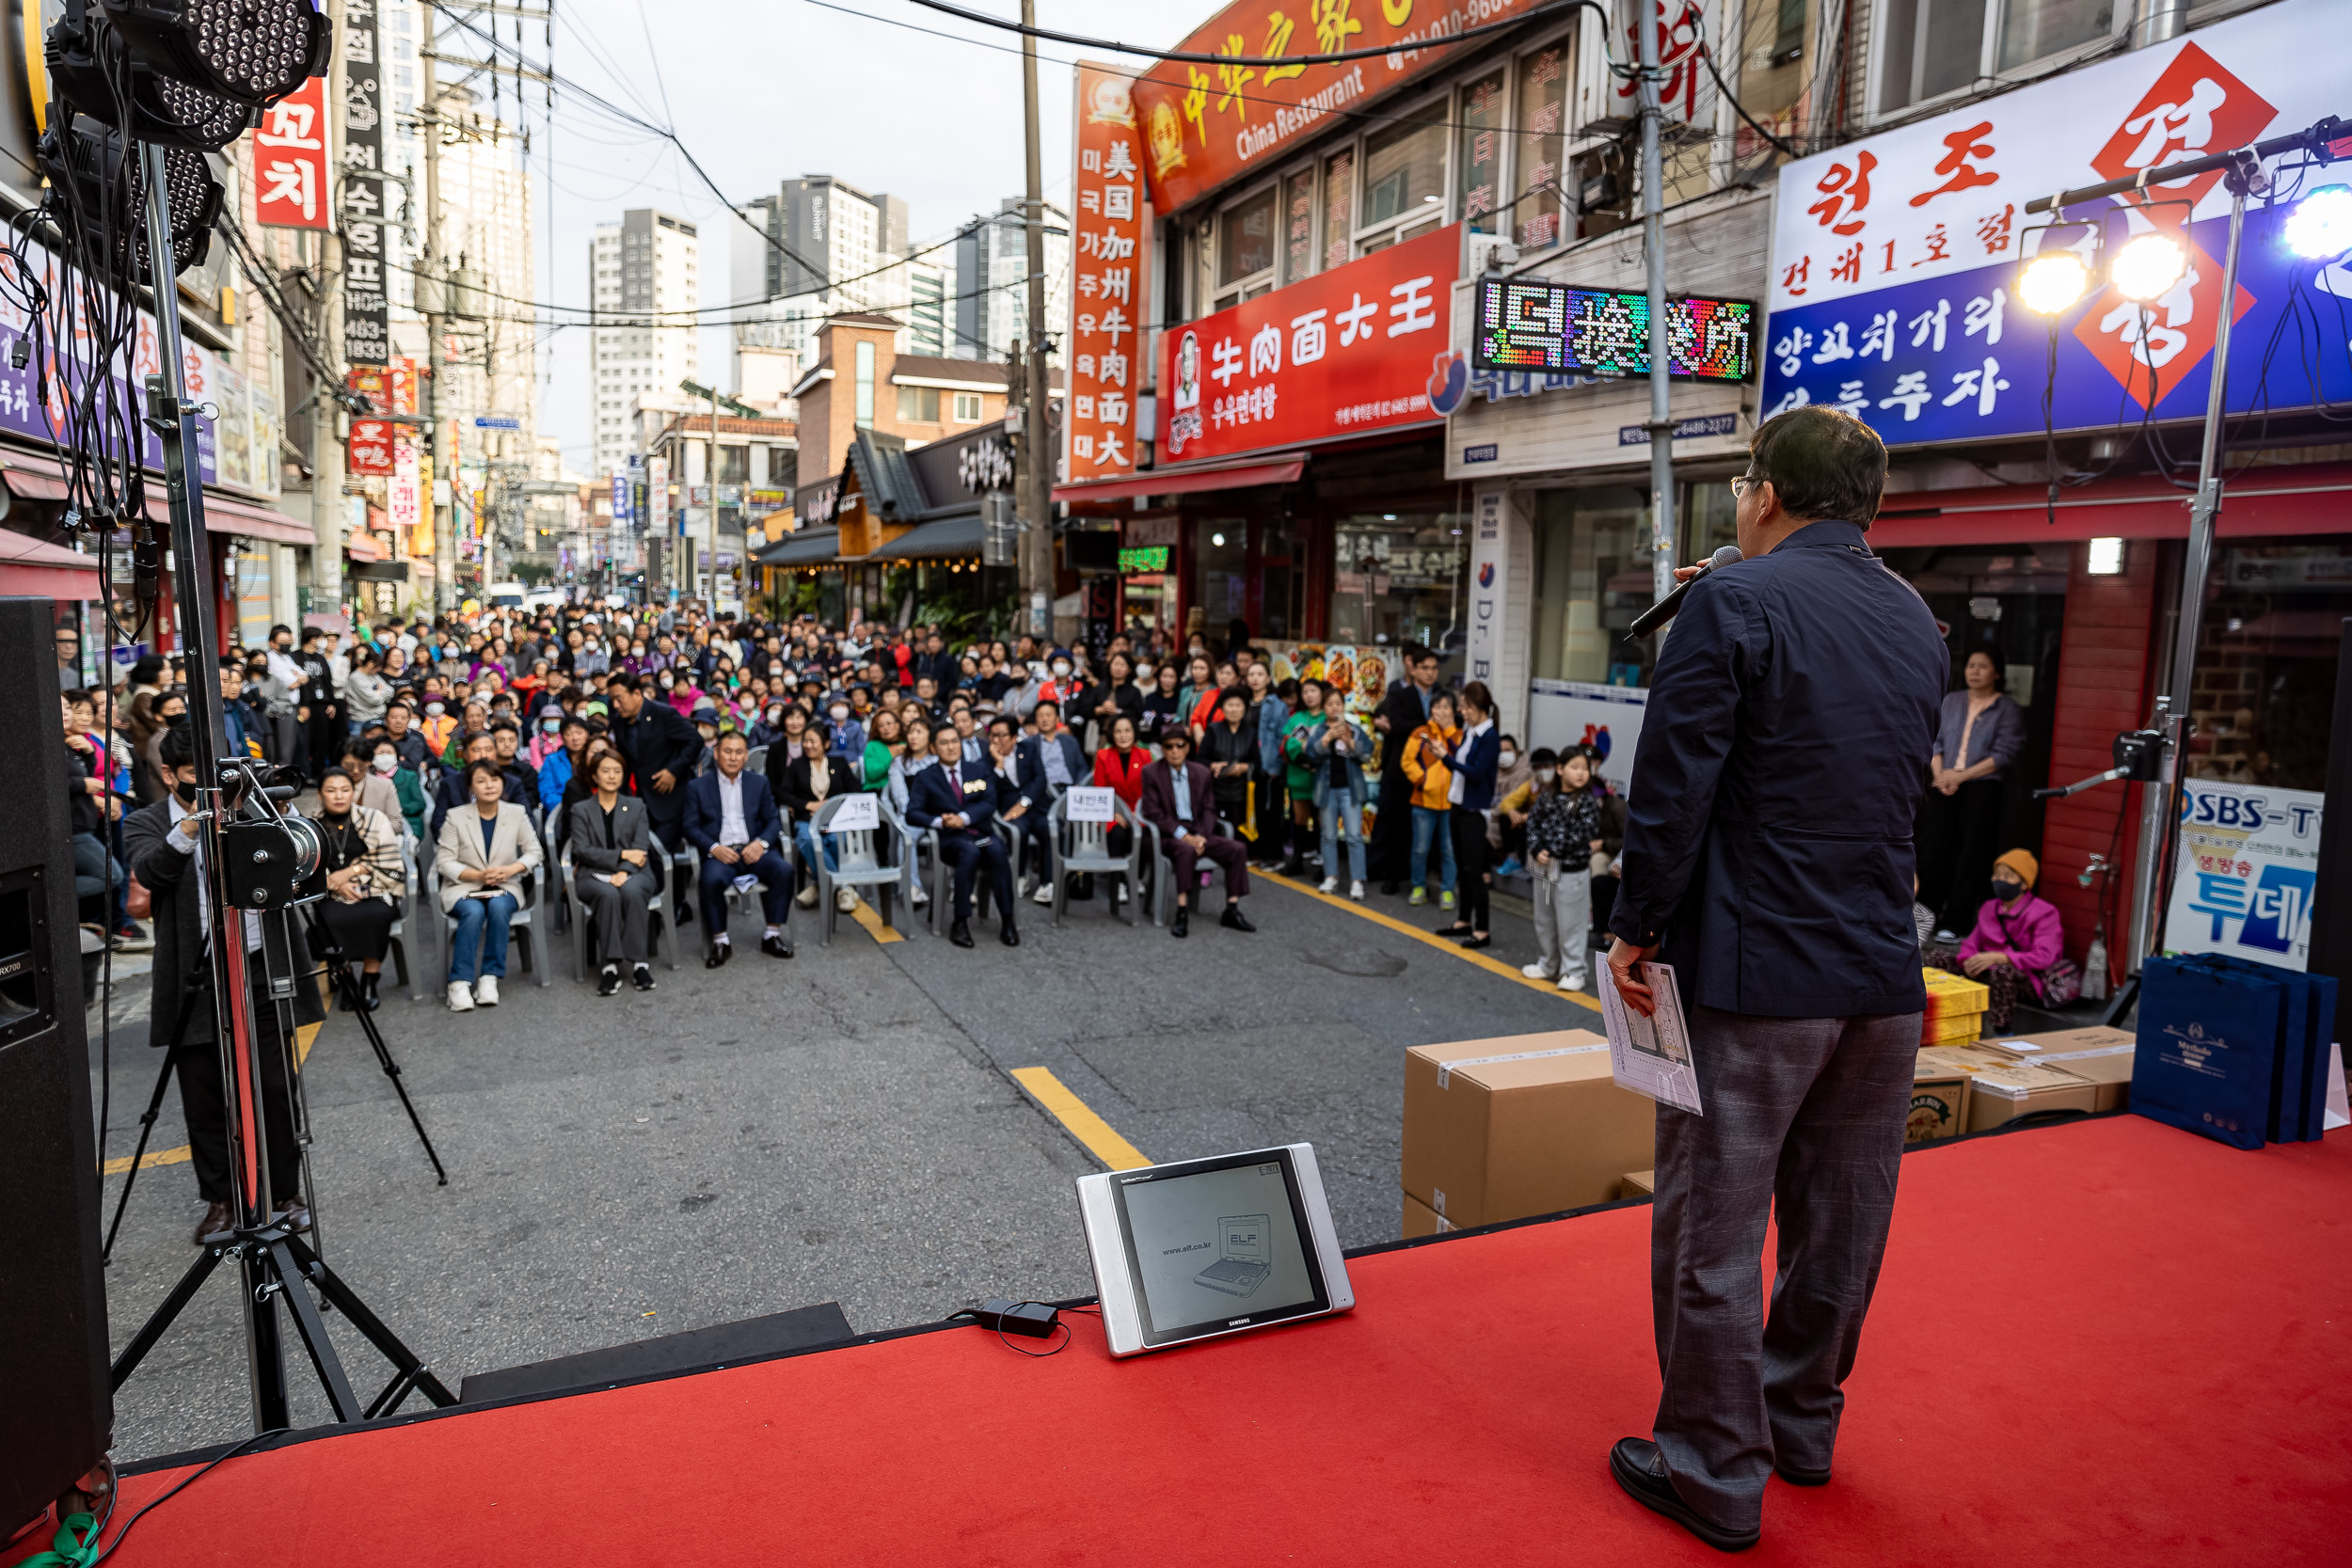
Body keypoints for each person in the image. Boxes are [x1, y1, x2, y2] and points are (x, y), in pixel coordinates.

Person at [1601, 404, 1947, 1550]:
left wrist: (1633, 927)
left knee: (1713, 1221)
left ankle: (1711, 1465)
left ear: (1762, 493)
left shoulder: (1731, 599)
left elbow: (1673, 785)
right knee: (1840, 1222)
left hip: (1754, 973)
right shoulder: (1914, 619)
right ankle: (1799, 1421)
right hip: (1881, 976)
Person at [125, 724, 323, 1243]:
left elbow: (303, 857)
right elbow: (150, 872)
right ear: (169, 775)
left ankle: (285, 1192)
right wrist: (192, 826)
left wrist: (266, 805)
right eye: (193, 778)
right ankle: (220, 1200)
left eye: (212, 777)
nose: (207, 789)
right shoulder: (146, 821)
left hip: (258, 964)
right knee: (205, 1093)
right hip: (196, 975)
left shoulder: (247, 809)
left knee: (276, 1087)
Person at [1915, 647, 2025, 942]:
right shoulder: (1951, 701)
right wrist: (1940, 776)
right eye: (1971, 665)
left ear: (1997, 673)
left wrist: (1960, 776)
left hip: (1981, 787)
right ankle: (1923, 915)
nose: (1974, 671)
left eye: (1983, 666)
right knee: (1932, 850)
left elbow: (2003, 755)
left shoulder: (2006, 708)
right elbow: (1934, 741)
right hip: (1943, 782)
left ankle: (1956, 922)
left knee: (1970, 854)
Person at [434, 758, 544, 1011]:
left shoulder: (516, 813)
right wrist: (476, 876)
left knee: (498, 907)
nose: (489, 785)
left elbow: (534, 852)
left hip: (505, 884)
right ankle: (459, 982)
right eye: (481, 781)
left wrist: (511, 869)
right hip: (464, 886)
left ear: (502, 783)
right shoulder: (456, 817)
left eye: (494, 779)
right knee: (472, 913)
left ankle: (489, 977)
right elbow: (444, 861)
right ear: (471, 788)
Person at [904, 720, 1019, 948]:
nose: (951, 747)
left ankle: (1008, 920)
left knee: (997, 851)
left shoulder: (977, 770)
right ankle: (960, 921)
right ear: (934, 748)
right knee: (969, 853)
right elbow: (912, 813)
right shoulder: (926, 776)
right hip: (951, 839)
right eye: (944, 743)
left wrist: (964, 817)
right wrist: (941, 821)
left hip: (980, 831)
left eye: (955, 741)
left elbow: (989, 802)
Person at [683, 731, 795, 964]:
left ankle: (771, 934)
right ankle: (720, 940)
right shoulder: (698, 786)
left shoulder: (759, 783)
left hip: (753, 849)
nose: (732, 758)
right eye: (727, 751)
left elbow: (773, 820)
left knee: (783, 871)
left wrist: (761, 843)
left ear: (746, 756)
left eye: (738, 752)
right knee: (710, 880)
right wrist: (714, 848)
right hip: (721, 854)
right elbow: (689, 826)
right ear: (716, 753)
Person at [1137, 726, 1254, 940]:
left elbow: (1209, 808)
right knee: (1185, 851)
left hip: (1199, 830)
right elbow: (1153, 813)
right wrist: (1184, 836)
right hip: (1166, 835)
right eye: (1169, 746)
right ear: (1162, 749)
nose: (1175, 751)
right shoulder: (1151, 772)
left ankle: (1232, 908)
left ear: (1188, 747)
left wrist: (1201, 836)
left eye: (1180, 746)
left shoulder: (1201, 772)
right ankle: (1182, 911)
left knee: (1237, 849)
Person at [1933, 849, 2064, 1033]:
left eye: (2008, 876)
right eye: (1997, 874)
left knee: (2004, 972)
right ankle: (1937, 1017)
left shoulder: (2045, 912)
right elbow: (1971, 943)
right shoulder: (1989, 907)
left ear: (2024, 883)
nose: (1999, 880)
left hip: (2027, 979)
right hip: (1987, 970)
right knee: (1937, 958)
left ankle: (2001, 1033)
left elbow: (2044, 957)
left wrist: (2002, 958)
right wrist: (1968, 960)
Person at [607, 672, 703, 922]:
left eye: (619, 699)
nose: (615, 705)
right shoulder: (618, 722)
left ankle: (667, 909)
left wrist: (673, 770)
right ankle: (665, 906)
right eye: (612, 701)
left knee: (659, 852)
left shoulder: (664, 714)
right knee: (647, 852)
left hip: (671, 798)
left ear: (637, 694)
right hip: (641, 799)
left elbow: (694, 741)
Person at [568, 750, 662, 995]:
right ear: (595, 776)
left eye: (617, 771)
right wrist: (621, 856)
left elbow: (641, 848)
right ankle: (610, 966)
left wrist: (625, 870)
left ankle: (639, 963)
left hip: (636, 871)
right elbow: (582, 850)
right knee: (607, 894)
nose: (612, 776)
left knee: (632, 890)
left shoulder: (636, 805)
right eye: (605, 771)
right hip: (593, 874)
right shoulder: (581, 810)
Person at [311, 768, 405, 1010]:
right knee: (328, 918)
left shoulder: (374, 818)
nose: (339, 796)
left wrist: (350, 873)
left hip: (376, 889)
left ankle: (369, 980)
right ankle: (348, 978)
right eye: (330, 791)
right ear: (320, 795)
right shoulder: (312, 826)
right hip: (331, 893)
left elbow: (388, 857)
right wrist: (335, 885)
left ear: (354, 792)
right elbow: (308, 868)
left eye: (345, 790)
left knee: (375, 915)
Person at [1521, 747, 1601, 991]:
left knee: (1572, 923)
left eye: (1585, 769)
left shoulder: (1587, 801)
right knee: (1544, 920)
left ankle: (1575, 970)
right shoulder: (1547, 796)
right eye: (1574, 767)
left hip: (1572, 871)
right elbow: (1533, 823)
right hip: (1544, 869)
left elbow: (1582, 834)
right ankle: (1550, 964)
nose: (1580, 773)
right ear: (1560, 769)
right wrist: (1537, 849)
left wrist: (1551, 849)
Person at [1369, 646, 1441, 891]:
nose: (1430, 673)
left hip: (1432, 769)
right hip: (1401, 769)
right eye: (1425, 668)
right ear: (1414, 668)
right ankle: (1392, 876)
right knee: (1395, 824)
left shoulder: (1441, 696)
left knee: (1422, 826)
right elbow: (1397, 725)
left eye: (1434, 668)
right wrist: (1428, 727)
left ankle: (1418, 876)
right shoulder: (1400, 694)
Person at [1440, 682, 1500, 948]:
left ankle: (1483, 929)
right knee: (1463, 867)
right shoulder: (1471, 732)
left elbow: (1475, 773)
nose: (1463, 711)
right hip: (1458, 804)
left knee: (1474, 871)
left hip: (1475, 810)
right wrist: (1445, 755)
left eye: (1467, 707)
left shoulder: (1490, 737)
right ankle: (1464, 920)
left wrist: (1446, 758)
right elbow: (1462, 765)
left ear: (1481, 707)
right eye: (1462, 706)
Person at [778, 724, 862, 912]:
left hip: (835, 820)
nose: (808, 745)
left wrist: (831, 805)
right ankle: (843, 887)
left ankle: (819, 884)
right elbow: (783, 793)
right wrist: (807, 805)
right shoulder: (797, 765)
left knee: (834, 839)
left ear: (825, 743)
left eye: (812, 741)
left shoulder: (839, 763)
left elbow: (856, 790)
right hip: (807, 820)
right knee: (806, 839)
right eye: (805, 741)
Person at [1014, 699, 1088, 902]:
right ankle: (1030, 878)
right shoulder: (1027, 745)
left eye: (1049, 715)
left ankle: (1051, 882)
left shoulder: (1070, 742)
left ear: (1057, 718)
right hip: (1041, 796)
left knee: (1058, 829)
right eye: (1040, 715)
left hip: (1068, 793)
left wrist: (1079, 785)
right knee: (1046, 828)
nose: (1045, 719)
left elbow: (1082, 767)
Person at [1300, 685, 1369, 900]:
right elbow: (1311, 754)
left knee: (1354, 836)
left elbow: (1367, 754)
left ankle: (1357, 881)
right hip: (1326, 789)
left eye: (1338, 704)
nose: (1334, 708)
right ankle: (1331, 876)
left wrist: (1349, 741)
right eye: (1330, 704)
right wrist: (1328, 738)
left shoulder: (1355, 728)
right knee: (1328, 836)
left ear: (1343, 705)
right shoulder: (1320, 730)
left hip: (1350, 789)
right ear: (1324, 707)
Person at [1399, 689, 1459, 910]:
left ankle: (1447, 890)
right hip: (1423, 800)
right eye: (1437, 706)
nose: (1441, 711)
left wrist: (1450, 731)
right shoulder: (1420, 733)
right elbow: (1407, 761)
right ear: (1430, 709)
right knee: (1420, 848)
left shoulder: (1459, 735)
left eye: (1446, 707)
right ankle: (1418, 886)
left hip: (1452, 803)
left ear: (1454, 711)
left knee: (1449, 850)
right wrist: (1422, 780)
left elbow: (1463, 760)